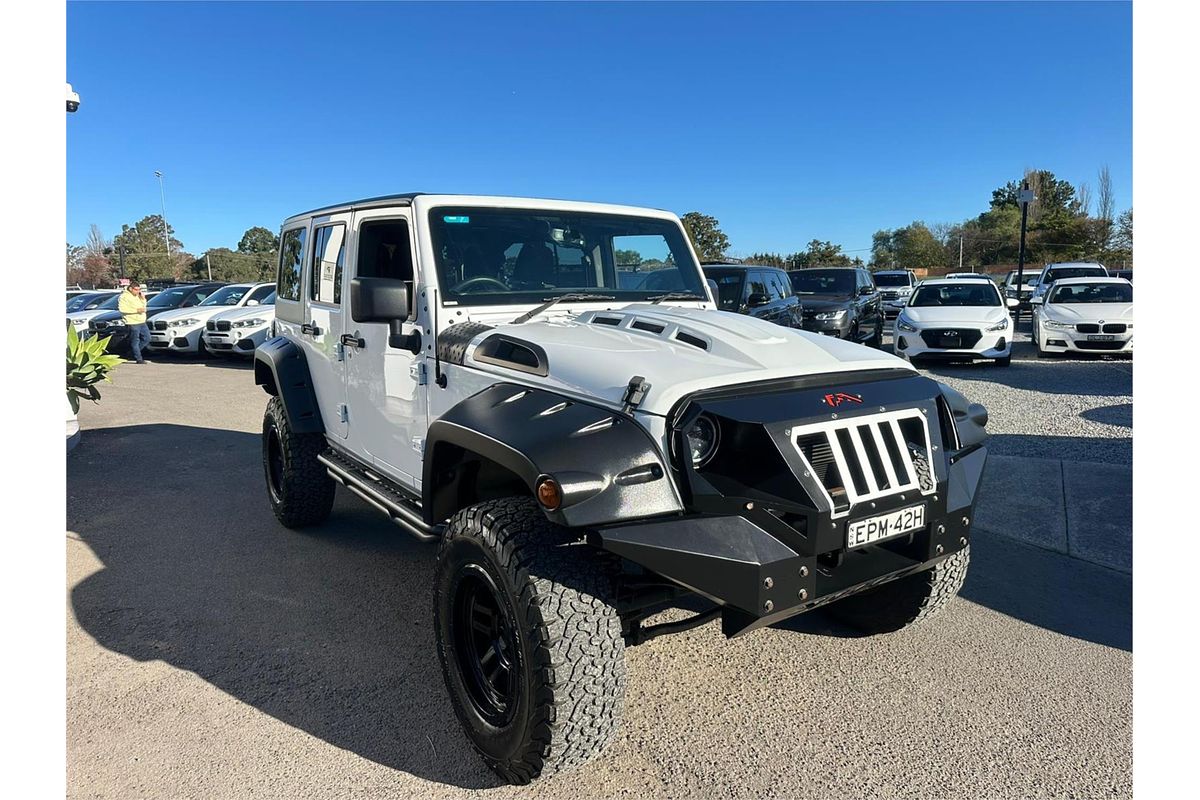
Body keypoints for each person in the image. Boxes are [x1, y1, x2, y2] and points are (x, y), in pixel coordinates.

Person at [119, 281, 150, 364]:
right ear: (130, 289)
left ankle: (131, 353)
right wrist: (137, 310)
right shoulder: (124, 297)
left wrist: (143, 299)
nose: (138, 291)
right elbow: (123, 309)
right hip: (132, 322)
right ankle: (138, 358)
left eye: (139, 289)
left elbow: (143, 307)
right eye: (136, 290)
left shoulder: (138, 296)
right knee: (135, 340)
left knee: (147, 338)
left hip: (142, 321)